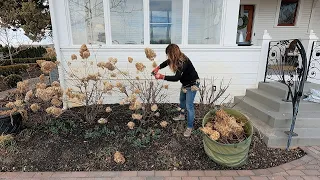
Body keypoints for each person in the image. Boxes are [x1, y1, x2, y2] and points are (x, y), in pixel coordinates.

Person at [152, 44, 200, 137]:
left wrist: (162, 76)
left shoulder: (183, 61)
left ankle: (189, 127)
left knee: (189, 106)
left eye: (168, 54)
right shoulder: (176, 58)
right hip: (185, 84)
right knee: (182, 100)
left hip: (193, 84)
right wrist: (158, 68)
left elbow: (176, 78)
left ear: (172, 54)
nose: (168, 57)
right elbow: (167, 62)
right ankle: (182, 115)